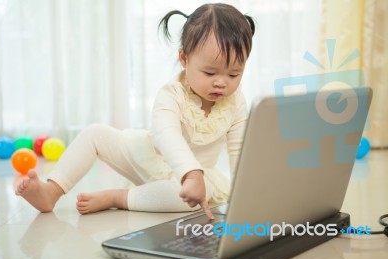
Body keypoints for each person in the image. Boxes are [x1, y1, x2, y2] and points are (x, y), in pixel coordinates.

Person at [15, 3, 255, 220]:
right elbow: (167, 135)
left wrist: (243, 195)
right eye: (210, 73)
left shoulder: (235, 101)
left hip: (194, 180)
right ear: (184, 58)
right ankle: (51, 191)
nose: (222, 82)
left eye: (234, 74)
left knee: (194, 199)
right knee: (95, 134)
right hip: (150, 158)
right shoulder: (171, 95)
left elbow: (240, 150)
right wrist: (190, 173)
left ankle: (119, 197)